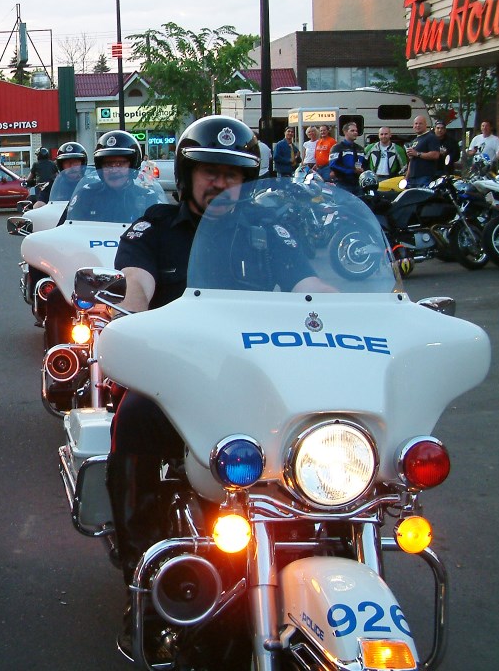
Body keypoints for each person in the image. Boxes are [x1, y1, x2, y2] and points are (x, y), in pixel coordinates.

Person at [107, 116, 334, 659]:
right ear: (187, 176)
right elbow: (136, 285)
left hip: (267, 379)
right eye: (210, 172)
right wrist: (128, 314)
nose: (221, 184)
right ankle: (139, 565)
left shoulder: (269, 232)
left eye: (233, 175)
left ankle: (327, 546)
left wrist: (357, 310)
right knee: (133, 415)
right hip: (182, 382)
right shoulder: (154, 228)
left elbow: (311, 286)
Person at [42, 131, 157, 353]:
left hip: (131, 272)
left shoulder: (148, 197)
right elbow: (63, 230)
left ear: (132, 165)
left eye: (120, 163)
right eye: (108, 164)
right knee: (56, 297)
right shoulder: (86, 194)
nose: (114, 169)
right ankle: (61, 363)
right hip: (91, 271)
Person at [404, 115, 442, 188]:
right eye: (416, 123)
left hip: (424, 177)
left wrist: (417, 154)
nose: (418, 125)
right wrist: (406, 177)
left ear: (425, 125)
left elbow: (435, 155)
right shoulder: (414, 140)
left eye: (420, 123)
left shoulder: (431, 137)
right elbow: (411, 161)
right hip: (412, 178)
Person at [329, 121, 365, 194]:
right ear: (345, 132)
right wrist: (352, 171)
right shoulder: (337, 147)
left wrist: (363, 170)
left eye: (356, 131)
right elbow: (333, 165)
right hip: (343, 183)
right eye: (352, 130)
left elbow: (365, 163)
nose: (355, 133)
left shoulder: (360, 149)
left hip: (358, 184)